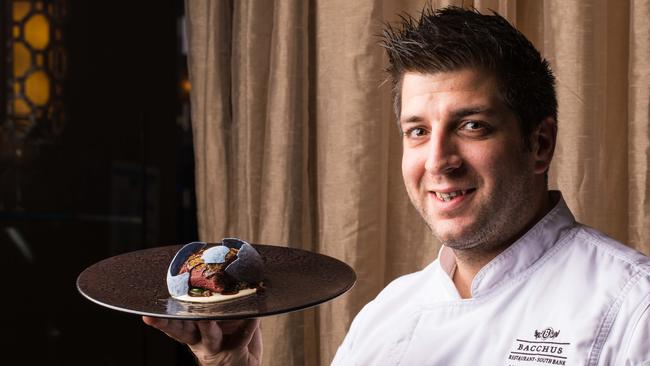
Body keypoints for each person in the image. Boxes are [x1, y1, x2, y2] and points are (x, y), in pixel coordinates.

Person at [144, 5, 650, 365]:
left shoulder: (632, 307)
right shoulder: (384, 316)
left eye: (472, 125)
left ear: (540, 144)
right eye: (418, 131)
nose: (438, 161)